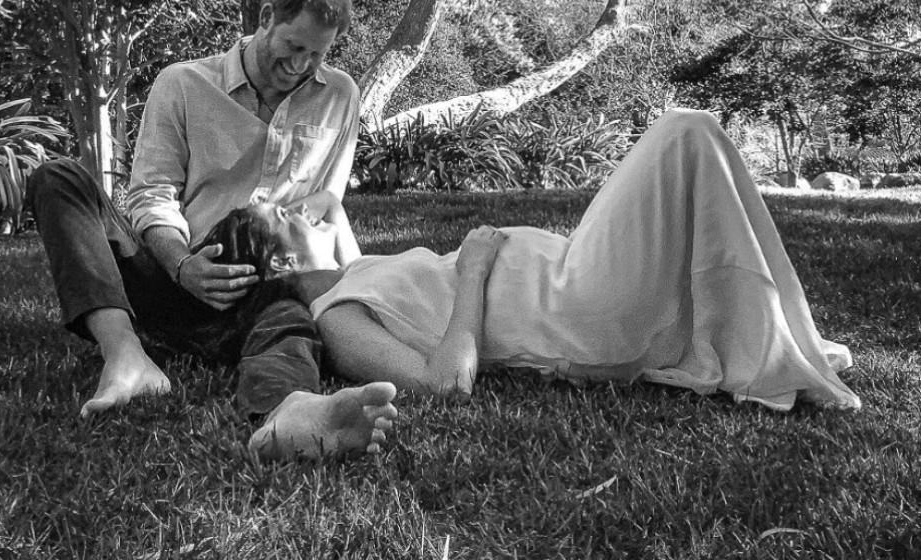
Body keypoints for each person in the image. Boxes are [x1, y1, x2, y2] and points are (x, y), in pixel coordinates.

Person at [204, 109, 862, 411]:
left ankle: (774, 334)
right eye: (284, 218)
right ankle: (776, 344)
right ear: (278, 265)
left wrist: (287, 217)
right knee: (684, 132)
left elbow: (329, 206)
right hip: (579, 305)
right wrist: (472, 270)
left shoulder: (351, 269)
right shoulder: (337, 317)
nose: (302, 211)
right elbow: (442, 385)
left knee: (692, 148)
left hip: (575, 269)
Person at [28, 0, 397, 460]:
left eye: (317, 54)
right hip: (173, 276)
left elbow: (322, 209)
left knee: (287, 321)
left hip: (264, 290)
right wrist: (183, 265)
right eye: (293, 46)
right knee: (58, 178)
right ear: (265, 17)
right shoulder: (183, 83)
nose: (301, 65)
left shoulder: (340, 95)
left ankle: (289, 410)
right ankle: (126, 356)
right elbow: (151, 195)